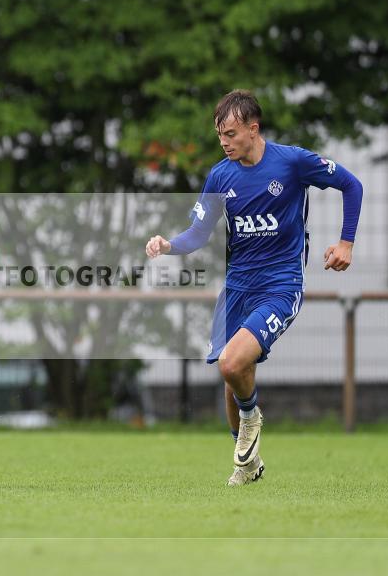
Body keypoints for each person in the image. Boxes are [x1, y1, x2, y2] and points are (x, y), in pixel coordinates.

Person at [145, 90, 362, 486]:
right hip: (237, 288)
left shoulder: (292, 162)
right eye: (219, 136)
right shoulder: (220, 175)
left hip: (280, 285)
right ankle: (247, 465)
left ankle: (250, 417)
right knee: (233, 372)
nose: (224, 142)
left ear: (252, 128)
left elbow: (352, 184)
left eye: (230, 133)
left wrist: (346, 242)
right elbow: (198, 233)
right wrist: (168, 245)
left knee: (232, 363)